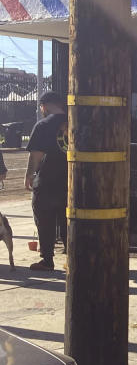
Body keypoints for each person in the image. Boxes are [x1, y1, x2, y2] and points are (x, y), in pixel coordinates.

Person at [25, 91, 68, 271]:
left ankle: (47, 260)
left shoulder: (42, 125)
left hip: (47, 181)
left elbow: (36, 156)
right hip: (70, 181)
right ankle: (73, 259)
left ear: (44, 106)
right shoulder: (75, 122)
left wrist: (28, 176)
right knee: (69, 221)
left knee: (45, 220)